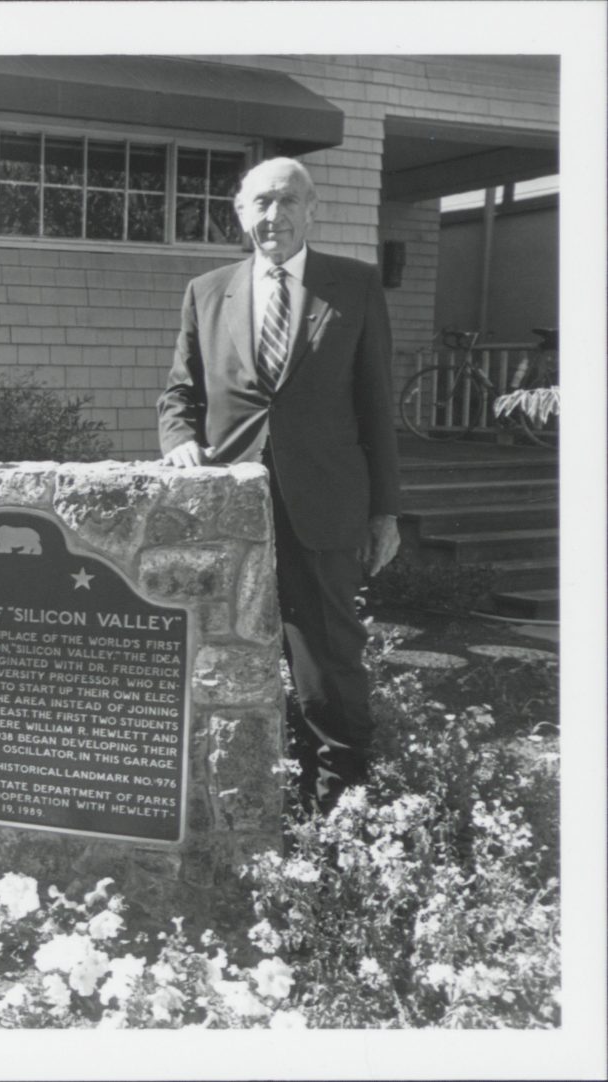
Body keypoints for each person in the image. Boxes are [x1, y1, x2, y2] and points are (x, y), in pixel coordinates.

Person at [157, 157, 401, 813]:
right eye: (261, 203)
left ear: (311, 208)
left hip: (322, 506)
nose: (275, 215)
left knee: (329, 661)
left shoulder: (352, 286)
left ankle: (340, 812)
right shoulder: (208, 291)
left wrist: (386, 511)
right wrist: (180, 440)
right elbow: (181, 392)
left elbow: (377, 404)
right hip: (229, 509)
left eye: (289, 201)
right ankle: (248, 800)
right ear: (241, 213)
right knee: (225, 655)